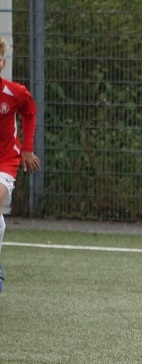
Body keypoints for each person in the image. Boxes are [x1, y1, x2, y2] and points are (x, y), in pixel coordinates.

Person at [0, 37, 40, 294]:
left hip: (5, 161)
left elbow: (30, 113)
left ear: (2, 64)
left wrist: (27, 148)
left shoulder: (15, 93)